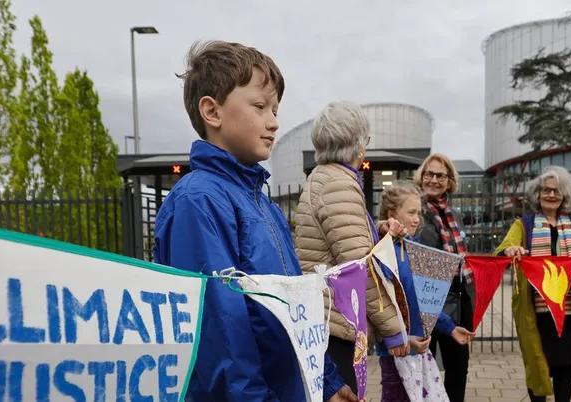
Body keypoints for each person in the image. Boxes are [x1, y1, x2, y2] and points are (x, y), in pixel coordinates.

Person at [153, 41, 356, 402]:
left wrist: (325, 380)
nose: (274, 122)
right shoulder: (198, 202)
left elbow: (295, 309)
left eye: (276, 109)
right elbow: (220, 337)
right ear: (212, 112)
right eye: (260, 106)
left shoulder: (262, 203)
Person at [294, 101, 408, 393]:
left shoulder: (324, 177)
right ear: (358, 145)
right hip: (338, 323)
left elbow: (342, 240)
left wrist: (377, 228)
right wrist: (393, 329)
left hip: (326, 317)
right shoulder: (339, 184)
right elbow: (358, 266)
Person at [494, 166, 571, 402]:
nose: (551, 195)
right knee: (539, 361)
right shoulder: (524, 225)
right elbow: (502, 251)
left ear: (565, 195)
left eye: (557, 190)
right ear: (537, 195)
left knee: (568, 364)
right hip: (537, 309)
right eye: (546, 190)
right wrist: (511, 249)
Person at [376, 183, 474, 401]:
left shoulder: (415, 248)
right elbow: (380, 307)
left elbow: (426, 300)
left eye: (418, 212)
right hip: (396, 351)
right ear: (392, 215)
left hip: (419, 350)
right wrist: (399, 339)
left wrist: (450, 328)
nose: (417, 218)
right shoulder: (382, 251)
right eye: (411, 212)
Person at [413, 153, 473, 402]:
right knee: (425, 371)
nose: (434, 180)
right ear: (422, 177)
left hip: (459, 300)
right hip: (427, 300)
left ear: (449, 181)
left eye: (441, 175)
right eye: (430, 174)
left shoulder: (454, 215)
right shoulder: (416, 210)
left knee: (458, 369)